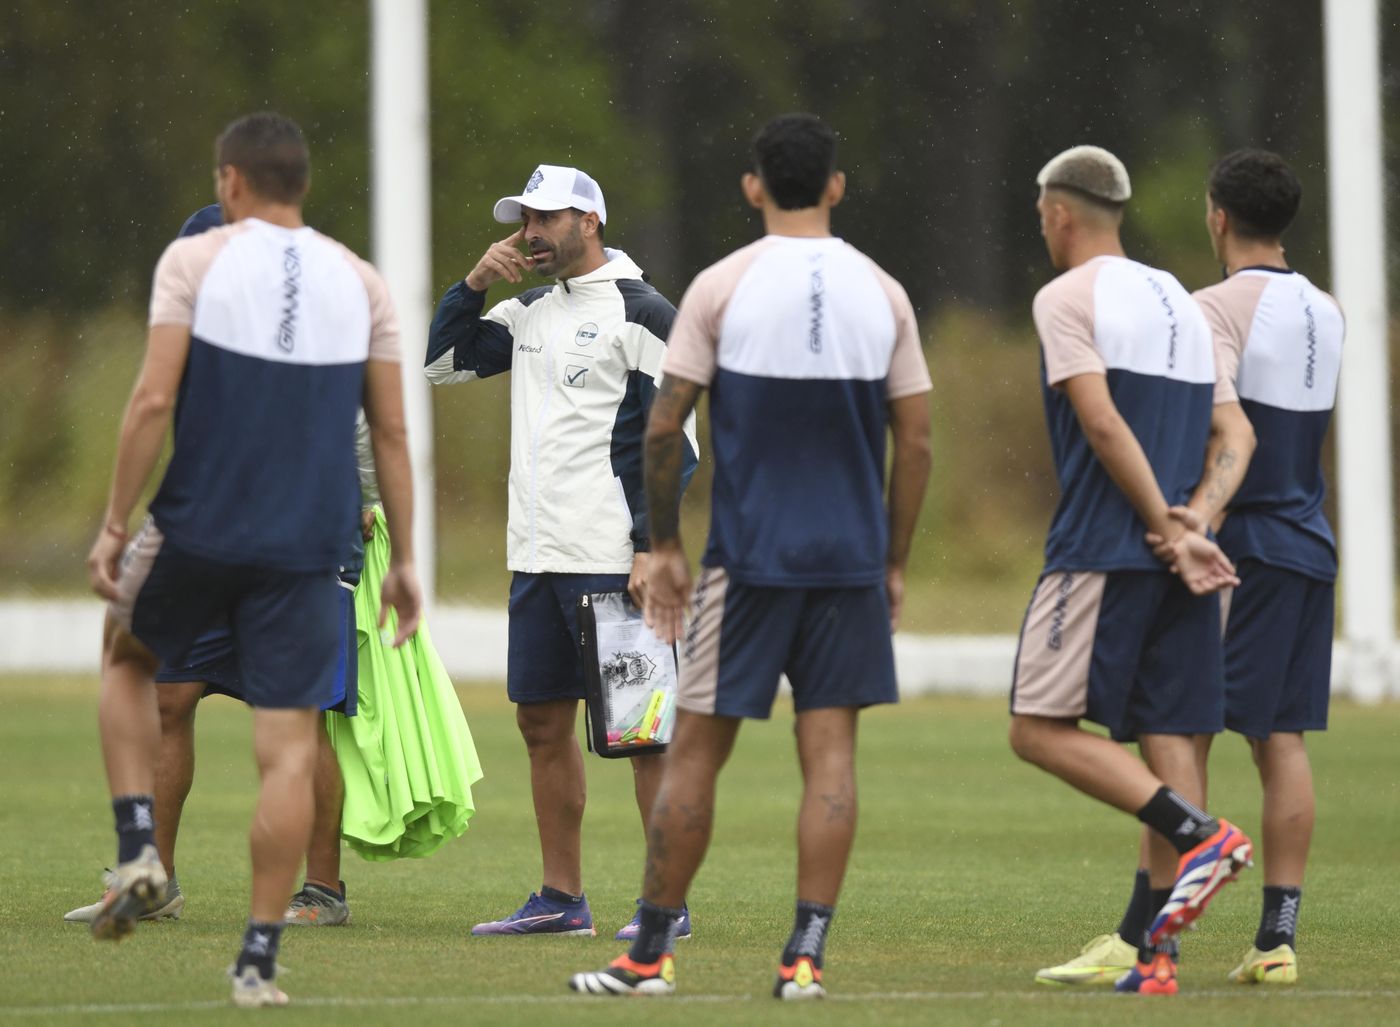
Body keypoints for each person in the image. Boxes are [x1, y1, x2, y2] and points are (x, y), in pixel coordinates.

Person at [568, 112, 933, 1000]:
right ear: (837, 188)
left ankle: (648, 954)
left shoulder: (721, 286)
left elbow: (664, 427)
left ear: (753, 187)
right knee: (831, 756)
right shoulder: (883, 291)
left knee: (695, 751)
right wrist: (891, 560)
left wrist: (663, 547)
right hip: (847, 563)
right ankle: (804, 956)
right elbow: (916, 442)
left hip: (749, 560)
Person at [84, 112, 421, 1008]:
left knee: (125, 659)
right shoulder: (361, 280)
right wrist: (408, 558)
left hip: (199, 523)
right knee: (288, 744)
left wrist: (116, 521)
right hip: (310, 543)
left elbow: (154, 396)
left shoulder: (194, 260)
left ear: (230, 180)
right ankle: (259, 959)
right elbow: (390, 429)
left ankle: (138, 850)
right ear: (301, 184)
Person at [1038, 149, 1342, 989]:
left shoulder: (1207, 308)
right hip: (1312, 538)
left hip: (1240, 544)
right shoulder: (1329, 310)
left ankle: (1144, 936)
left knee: (1180, 733)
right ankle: (1276, 936)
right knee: (1281, 739)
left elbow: (1229, 433)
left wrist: (1191, 524)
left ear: (1217, 217)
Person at [64, 206, 373, 931]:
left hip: (305, 540)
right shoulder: (192, 335)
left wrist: (364, 501)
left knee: (302, 719)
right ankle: (153, 879)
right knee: (169, 695)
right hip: (211, 537)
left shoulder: (311, 320)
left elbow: (364, 418)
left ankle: (322, 888)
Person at [425, 163, 698, 940]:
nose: (532, 232)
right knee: (541, 725)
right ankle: (561, 898)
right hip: (536, 555)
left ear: (591, 221)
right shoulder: (527, 311)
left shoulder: (645, 311)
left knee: (643, 734)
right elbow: (443, 365)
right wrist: (474, 283)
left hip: (613, 557)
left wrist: (652, 545)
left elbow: (676, 443)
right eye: (525, 219)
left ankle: (665, 904)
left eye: (547, 218)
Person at [1006, 145, 1252, 996]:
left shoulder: (1064, 296)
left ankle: (1202, 835)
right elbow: (1236, 437)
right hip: (1180, 560)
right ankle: (1159, 955)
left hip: (1105, 552)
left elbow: (1104, 424)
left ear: (1061, 212)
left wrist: (1162, 526)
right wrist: (1199, 522)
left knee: (1035, 728)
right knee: (1170, 734)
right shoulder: (1183, 303)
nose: (1041, 226)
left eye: (1041, 214)